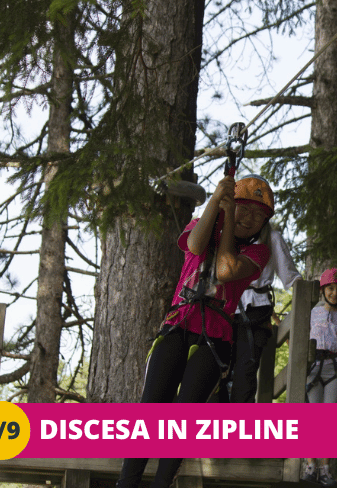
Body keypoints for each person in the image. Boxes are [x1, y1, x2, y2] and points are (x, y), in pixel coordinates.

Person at [116, 174, 275, 488]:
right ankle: (126, 483)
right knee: (150, 409)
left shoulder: (259, 254)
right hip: (177, 325)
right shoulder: (200, 225)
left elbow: (224, 269)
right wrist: (216, 201)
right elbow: (194, 244)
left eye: (259, 216)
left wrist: (229, 217)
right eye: (245, 209)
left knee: (184, 418)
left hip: (214, 339)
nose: (250, 219)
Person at [227, 227, 302, 403]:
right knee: (217, 374)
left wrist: (311, 308)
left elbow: (290, 276)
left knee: (245, 374)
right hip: (224, 307)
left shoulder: (271, 237)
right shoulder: (226, 232)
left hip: (256, 309)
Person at [302, 268, 337, 486]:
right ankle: (310, 466)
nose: (335, 293)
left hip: (335, 370)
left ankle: (325, 469)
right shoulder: (312, 313)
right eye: (330, 289)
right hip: (313, 368)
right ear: (323, 290)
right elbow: (299, 339)